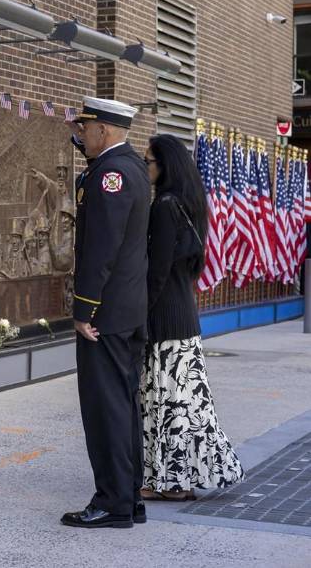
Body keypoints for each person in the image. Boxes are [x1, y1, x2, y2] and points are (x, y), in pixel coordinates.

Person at [60, 97, 150, 529]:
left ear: (106, 131)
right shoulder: (128, 168)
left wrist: (84, 308)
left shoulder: (112, 175)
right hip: (126, 310)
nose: (81, 134)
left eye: (87, 128)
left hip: (105, 314)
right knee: (124, 404)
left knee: (106, 407)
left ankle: (113, 502)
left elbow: (101, 249)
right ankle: (128, 497)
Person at [141, 134, 244, 501]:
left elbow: (157, 271)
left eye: (149, 160)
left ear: (165, 165)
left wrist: (141, 314)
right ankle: (175, 481)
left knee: (167, 404)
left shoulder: (165, 206)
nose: (146, 166)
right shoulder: (189, 204)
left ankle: (170, 483)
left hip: (166, 318)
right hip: (184, 317)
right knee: (185, 405)